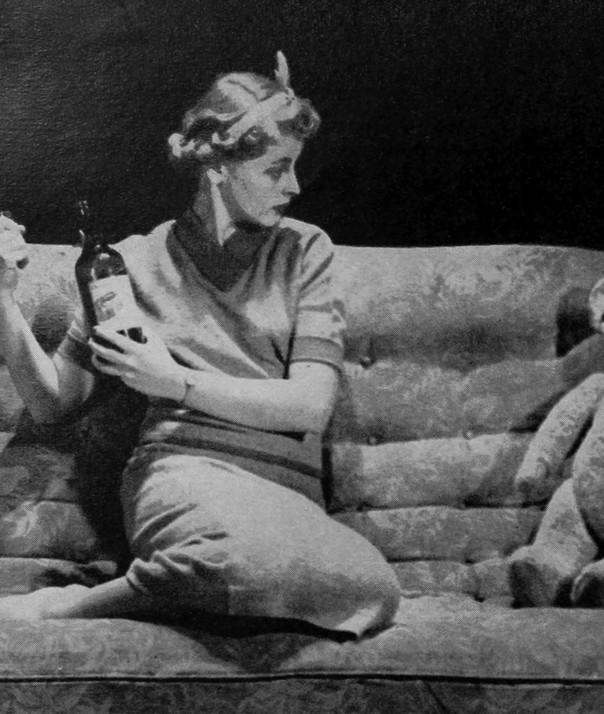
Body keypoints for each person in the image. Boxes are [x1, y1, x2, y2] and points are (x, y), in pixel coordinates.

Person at [0, 53, 400, 636]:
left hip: (286, 493)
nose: (294, 186)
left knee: (374, 589)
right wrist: (2, 297)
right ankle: (64, 607)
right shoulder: (130, 263)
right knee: (233, 561)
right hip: (183, 474)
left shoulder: (304, 250)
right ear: (218, 170)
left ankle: (161, 589)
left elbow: (311, 405)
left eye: (294, 167)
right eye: (276, 168)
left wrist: (176, 382)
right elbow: (53, 402)